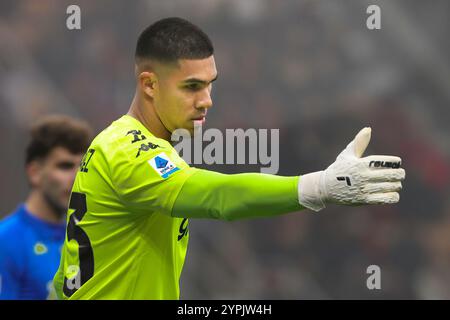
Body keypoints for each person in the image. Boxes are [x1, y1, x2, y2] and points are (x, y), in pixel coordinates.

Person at [53, 17, 405, 299]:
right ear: (149, 85)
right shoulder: (128, 152)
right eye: (192, 86)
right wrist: (319, 187)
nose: (207, 100)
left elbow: (61, 283)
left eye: (210, 84)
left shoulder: (120, 145)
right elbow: (220, 196)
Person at [0, 115, 92, 299]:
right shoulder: (7, 241)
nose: (76, 179)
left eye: (81, 168)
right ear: (35, 173)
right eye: (64, 166)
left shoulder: (86, 236)